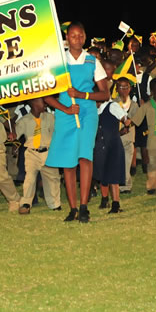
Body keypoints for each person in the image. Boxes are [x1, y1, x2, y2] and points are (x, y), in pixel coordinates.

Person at [44, 22, 110, 223]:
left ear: (85, 36)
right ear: (67, 37)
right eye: (73, 36)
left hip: (87, 112)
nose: (77, 39)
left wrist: (83, 95)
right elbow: (46, 95)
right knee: (68, 162)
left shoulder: (92, 61)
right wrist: (65, 108)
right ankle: (72, 208)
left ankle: (83, 207)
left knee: (84, 157)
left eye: (81, 35)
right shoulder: (58, 62)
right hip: (65, 113)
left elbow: (105, 93)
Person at [15, 98, 62, 214]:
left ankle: (54, 203)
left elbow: (58, 132)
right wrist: (12, 139)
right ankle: (26, 203)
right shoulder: (24, 120)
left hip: (47, 152)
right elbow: (16, 134)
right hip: (31, 153)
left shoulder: (50, 118)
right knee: (29, 179)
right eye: (42, 102)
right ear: (34, 104)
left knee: (52, 178)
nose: (45, 104)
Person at [94, 98, 129, 213]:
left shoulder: (112, 106)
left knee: (113, 175)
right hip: (99, 145)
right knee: (102, 173)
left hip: (112, 145)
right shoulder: (94, 110)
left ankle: (116, 204)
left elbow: (124, 117)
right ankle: (104, 199)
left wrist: (125, 120)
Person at [114, 77, 138, 193]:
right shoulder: (113, 103)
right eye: (121, 87)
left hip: (128, 139)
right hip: (116, 138)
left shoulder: (133, 104)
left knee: (127, 162)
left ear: (130, 88)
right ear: (117, 89)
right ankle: (117, 184)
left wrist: (129, 123)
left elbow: (137, 118)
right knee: (117, 162)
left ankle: (126, 186)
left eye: (126, 87)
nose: (124, 90)